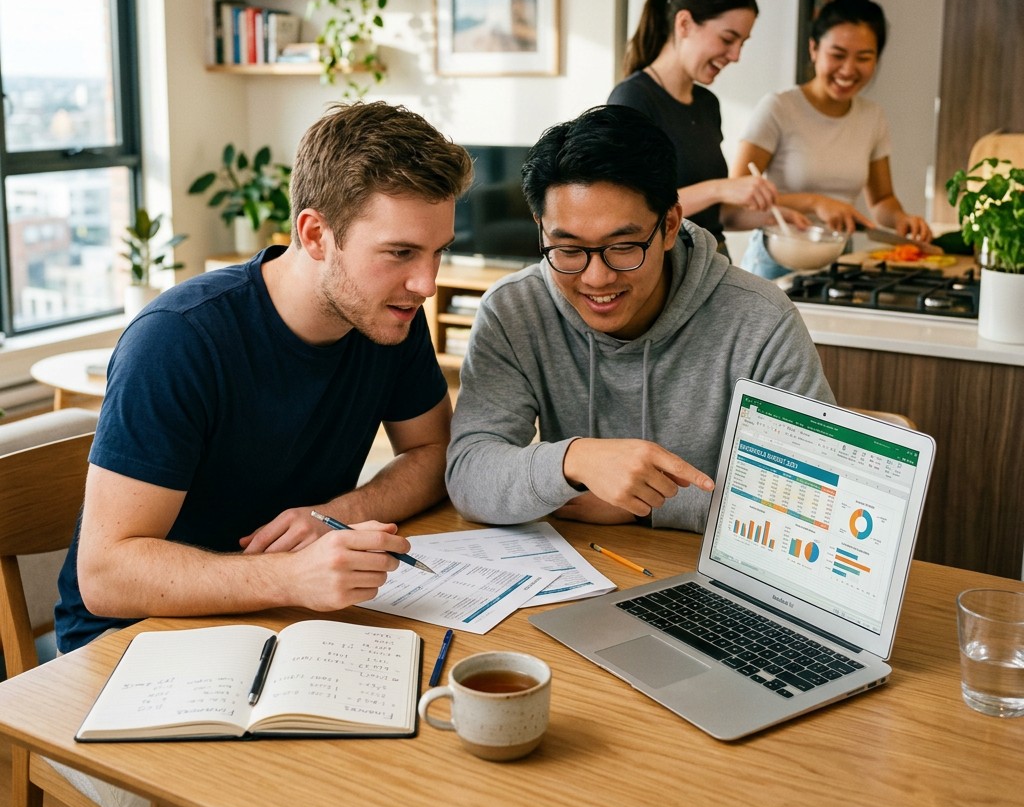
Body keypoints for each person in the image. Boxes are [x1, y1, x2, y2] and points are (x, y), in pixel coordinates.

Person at [57, 100, 473, 655]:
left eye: (437, 252)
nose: (425, 283)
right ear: (317, 234)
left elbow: (435, 453)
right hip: (131, 638)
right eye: (400, 252)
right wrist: (291, 575)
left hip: (278, 617)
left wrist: (336, 518)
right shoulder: (177, 340)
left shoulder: (388, 314)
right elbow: (107, 576)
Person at [446, 104, 833, 532]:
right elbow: (469, 473)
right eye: (569, 249)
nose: (596, 278)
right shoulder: (514, 310)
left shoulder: (761, 320)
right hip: (578, 569)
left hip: (706, 574)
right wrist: (575, 460)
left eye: (623, 246)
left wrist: (649, 503)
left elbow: (815, 500)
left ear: (669, 225)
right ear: (540, 228)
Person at [732, 0, 933, 279]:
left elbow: (881, 201)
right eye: (837, 55)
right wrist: (815, 202)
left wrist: (901, 219)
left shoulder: (872, 116)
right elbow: (737, 197)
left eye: (864, 57)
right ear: (814, 50)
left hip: (838, 259)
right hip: (776, 260)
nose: (848, 70)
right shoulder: (779, 107)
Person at [608, 0, 796, 256]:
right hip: (667, 275)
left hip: (712, 265)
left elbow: (715, 216)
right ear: (684, 24)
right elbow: (629, 210)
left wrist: (775, 218)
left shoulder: (707, 104)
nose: (735, 56)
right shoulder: (632, 99)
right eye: (727, 39)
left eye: (742, 43)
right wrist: (720, 188)